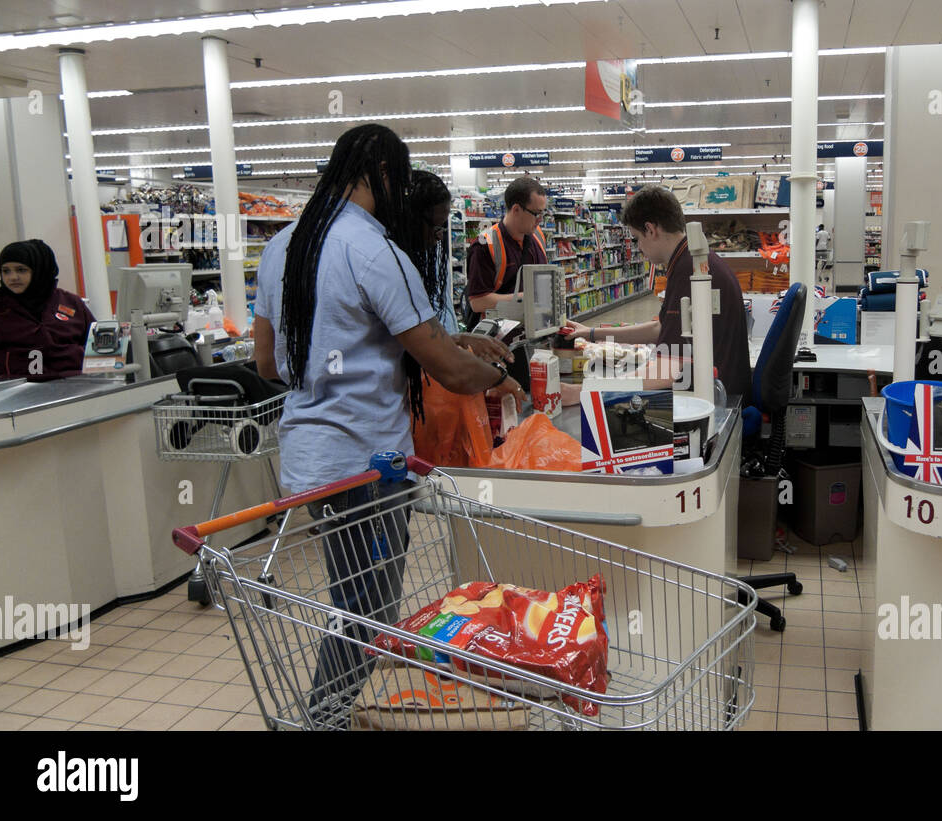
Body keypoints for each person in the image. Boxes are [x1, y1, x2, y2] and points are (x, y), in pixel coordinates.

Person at [251, 123, 525, 728]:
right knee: (365, 608)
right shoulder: (373, 249)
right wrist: (501, 381)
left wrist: (451, 342)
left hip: (309, 459)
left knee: (354, 598)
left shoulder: (285, 244)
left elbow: (268, 361)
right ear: (381, 174)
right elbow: (449, 373)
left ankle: (328, 715)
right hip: (368, 464)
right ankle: (322, 719)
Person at [564, 185, 752, 401]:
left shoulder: (689, 270)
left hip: (714, 402)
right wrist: (591, 333)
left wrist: (583, 392)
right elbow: (660, 328)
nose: (639, 247)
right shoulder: (693, 258)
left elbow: (665, 373)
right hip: (722, 391)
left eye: (636, 238)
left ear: (651, 229)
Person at [0, 239, 95, 381]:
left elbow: (96, 345)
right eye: (6, 271)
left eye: (21, 270)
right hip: (16, 389)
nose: (12, 277)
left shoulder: (71, 303)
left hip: (77, 383)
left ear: (40, 270)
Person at [463, 176, 549, 328]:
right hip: (498, 341)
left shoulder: (538, 236)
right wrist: (527, 298)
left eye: (543, 214)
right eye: (536, 213)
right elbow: (478, 302)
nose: (540, 220)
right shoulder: (485, 245)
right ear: (516, 209)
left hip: (535, 331)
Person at [401, 169, 458, 334]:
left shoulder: (434, 251)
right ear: (412, 221)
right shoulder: (392, 264)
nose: (440, 236)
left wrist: (454, 340)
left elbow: (443, 303)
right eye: (436, 226)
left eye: (443, 227)